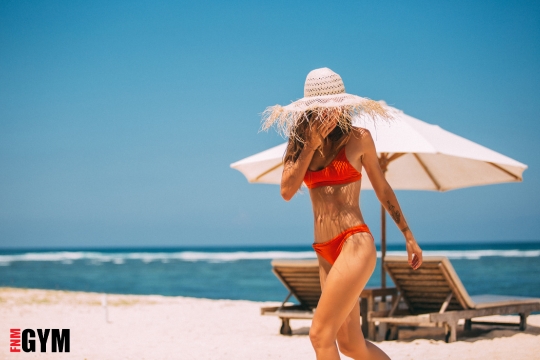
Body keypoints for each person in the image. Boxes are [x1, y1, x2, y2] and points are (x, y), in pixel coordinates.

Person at [262, 68, 423, 359]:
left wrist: (408, 236)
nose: (329, 114)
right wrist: (310, 145)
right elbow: (286, 190)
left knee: (319, 335)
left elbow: (382, 189)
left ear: (343, 105)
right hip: (324, 250)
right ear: (310, 109)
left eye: (334, 106)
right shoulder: (299, 141)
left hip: (355, 242)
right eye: (321, 108)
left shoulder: (358, 138)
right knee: (350, 345)